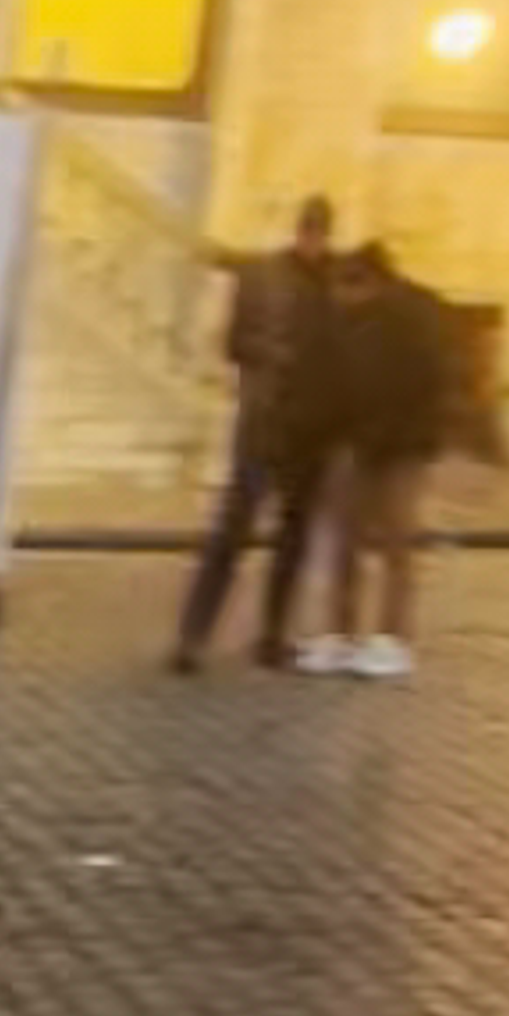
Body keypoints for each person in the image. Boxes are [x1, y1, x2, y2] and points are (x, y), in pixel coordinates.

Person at [172, 196, 341, 672]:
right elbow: (232, 344)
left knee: (294, 536)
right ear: (300, 231)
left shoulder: (338, 285)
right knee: (231, 532)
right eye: (309, 232)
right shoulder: (260, 276)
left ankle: (272, 635)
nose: (313, 241)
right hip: (265, 424)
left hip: (311, 430)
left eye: (320, 233)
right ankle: (193, 636)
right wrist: (276, 357)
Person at [298, 238, 465, 675]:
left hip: (401, 447)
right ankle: (340, 634)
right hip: (356, 442)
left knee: (396, 540)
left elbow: (422, 390)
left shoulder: (418, 319)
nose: (339, 300)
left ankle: (392, 638)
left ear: (370, 284)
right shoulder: (347, 319)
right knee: (345, 541)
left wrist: (375, 436)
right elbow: (332, 381)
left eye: (346, 290)